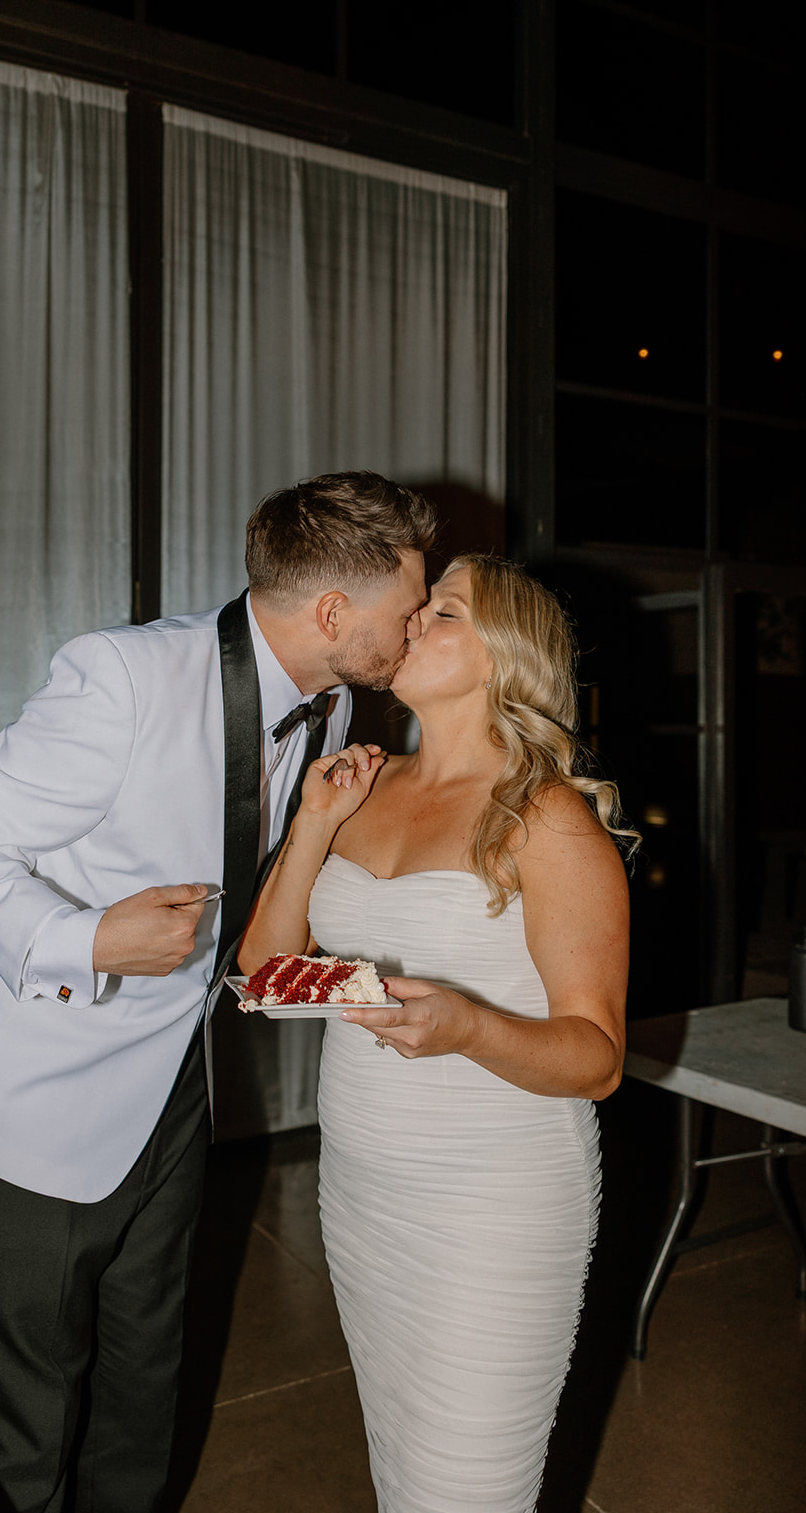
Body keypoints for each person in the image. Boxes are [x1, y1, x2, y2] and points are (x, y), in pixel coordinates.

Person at [0, 470, 435, 1513]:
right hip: (31, 1095)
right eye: (408, 609)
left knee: (146, 1374)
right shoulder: (123, 675)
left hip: (172, 1093)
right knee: (26, 1403)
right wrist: (85, 938)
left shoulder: (330, 710)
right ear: (332, 611)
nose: (415, 628)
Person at [238, 552, 638, 1513]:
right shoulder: (362, 784)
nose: (411, 622)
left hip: (495, 1205)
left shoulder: (547, 821)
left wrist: (468, 1027)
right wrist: (311, 825)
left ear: (504, 656)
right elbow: (265, 974)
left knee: (469, 1487)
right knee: (401, 1467)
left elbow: (598, 1060)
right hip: (363, 1186)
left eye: (442, 611)